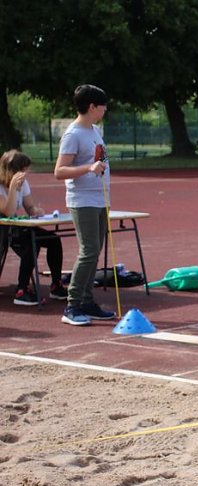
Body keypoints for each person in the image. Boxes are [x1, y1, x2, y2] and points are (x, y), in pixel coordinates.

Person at [54, 84, 116, 326]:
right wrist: (88, 168)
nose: (105, 109)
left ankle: (87, 301)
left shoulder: (94, 130)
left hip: (100, 198)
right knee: (88, 250)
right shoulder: (73, 134)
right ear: (92, 107)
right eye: (103, 106)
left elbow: (100, 160)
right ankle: (72, 305)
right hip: (83, 200)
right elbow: (60, 171)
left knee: (95, 251)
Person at [0, 150, 66, 305]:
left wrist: (36, 211)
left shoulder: (23, 183)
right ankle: (22, 290)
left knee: (53, 240)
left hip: (15, 226)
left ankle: (56, 285)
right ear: (12, 171)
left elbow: (29, 206)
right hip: (3, 231)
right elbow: (8, 211)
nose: (25, 175)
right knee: (31, 243)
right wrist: (12, 189)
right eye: (23, 171)